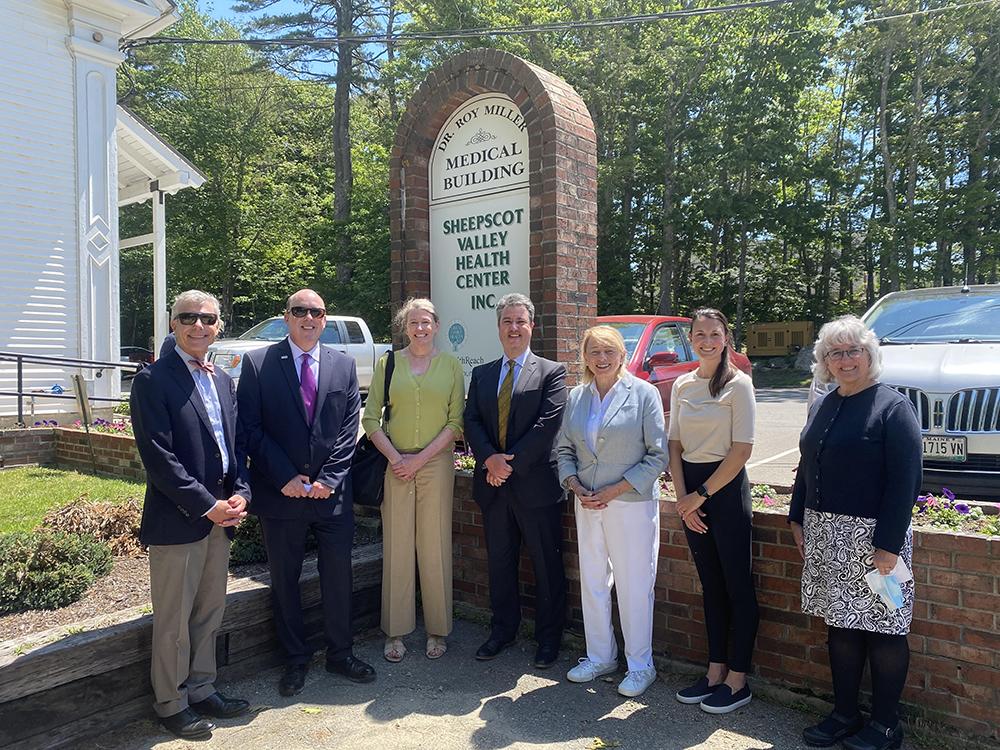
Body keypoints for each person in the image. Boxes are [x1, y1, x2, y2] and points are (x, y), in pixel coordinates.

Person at [789, 316, 921, 750]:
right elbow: (807, 465)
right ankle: (845, 713)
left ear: (869, 355)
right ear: (825, 362)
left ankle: (886, 725)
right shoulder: (826, 402)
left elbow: (906, 482)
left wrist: (887, 546)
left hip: (876, 540)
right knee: (840, 628)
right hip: (827, 536)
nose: (845, 360)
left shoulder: (892, 407)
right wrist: (797, 518)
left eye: (853, 351)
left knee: (885, 630)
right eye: (835, 353)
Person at [237, 289, 375, 697]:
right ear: (287, 317)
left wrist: (330, 478)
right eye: (300, 311)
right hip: (281, 495)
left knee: (338, 577)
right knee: (285, 579)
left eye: (316, 312)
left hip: (331, 496)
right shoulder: (259, 363)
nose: (309, 318)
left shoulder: (343, 364)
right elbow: (250, 428)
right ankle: (295, 659)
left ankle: (340, 653)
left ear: (325, 318)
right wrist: (284, 477)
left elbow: (350, 425)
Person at [130, 290, 250, 740]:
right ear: (173, 324)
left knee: (208, 612)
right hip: (180, 520)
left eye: (208, 318)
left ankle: (202, 689)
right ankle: (170, 702)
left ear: (219, 325)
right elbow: (159, 458)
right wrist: (207, 504)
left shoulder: (222, 381)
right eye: (189, 318)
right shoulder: (153, 380)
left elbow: (233, 446)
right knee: (174, 620)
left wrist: (240, 492)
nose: (198, 326)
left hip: (221, 519)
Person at [556, 325, 667, 697]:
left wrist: (615, 489)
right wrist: (574, 485)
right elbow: (564, 450)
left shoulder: (644, 394)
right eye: (594, 352)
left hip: (630, 504)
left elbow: (658, 455)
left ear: (622, 355)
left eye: (609, 352)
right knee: (592, 581)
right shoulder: (577, 397)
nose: (601, 359)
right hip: (586, 503)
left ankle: (640, 665)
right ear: (584, 357)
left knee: (634, 585)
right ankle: (600, 656)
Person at [463, 292, 568, 669]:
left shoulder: (552, 372)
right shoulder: (483, 373)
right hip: (492, 489)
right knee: (500, 564)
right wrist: (489, 459)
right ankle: (502, 630)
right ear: (498, 328)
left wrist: (509, 464)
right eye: (507, 321)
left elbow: (547, 426)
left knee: (546, 566)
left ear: (532, 326)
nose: (513, 328)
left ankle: (548, 638)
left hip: (535, 487)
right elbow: (471, 420)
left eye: (520, 321)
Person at [363, 298, 465, 662]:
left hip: (435, 465)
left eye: (426, 322)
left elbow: (456, 423)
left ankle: (438, 629)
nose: (420, 329)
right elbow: (371, 418)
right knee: (398, 547)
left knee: (434, 545)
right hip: (395, 464)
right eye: (413, 323)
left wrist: (420, 459)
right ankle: (395, 632)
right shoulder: (387, 364)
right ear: (405, 328)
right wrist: (396, 458)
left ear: (437, 326)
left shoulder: (451, 366)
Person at [669, 307, 758, 714]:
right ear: (691, 338)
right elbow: (675, 447)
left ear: (726, 338)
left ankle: (738, 680)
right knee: (711, 587)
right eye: (699, 334)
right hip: (691, 497)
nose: (706, 340)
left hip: (723, 492)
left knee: (737, 587)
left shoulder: (739, 386)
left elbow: (742, 451)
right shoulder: (683, 385)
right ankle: (714, 672)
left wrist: (699, 496)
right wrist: (682, 499)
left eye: (714, 334)